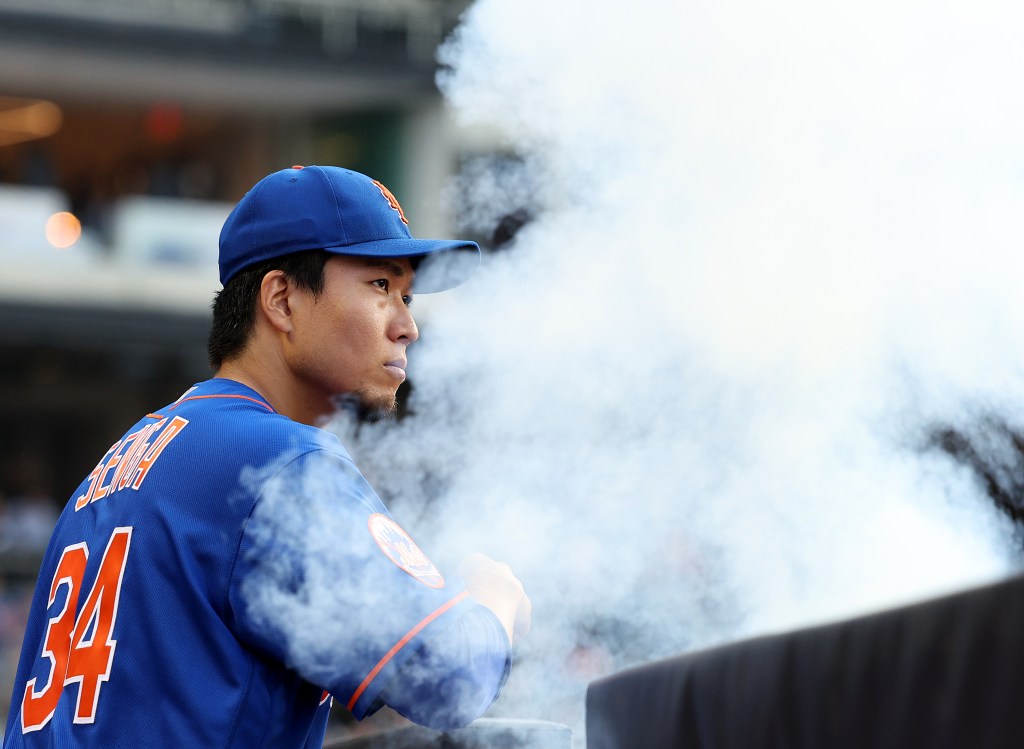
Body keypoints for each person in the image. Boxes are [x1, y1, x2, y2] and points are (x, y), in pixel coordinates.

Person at [3, 165, 531, 747]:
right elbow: (451, 679)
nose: (407, 325)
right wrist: (491, 603)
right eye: (380, 286)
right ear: (281, 299)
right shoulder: (276, 461)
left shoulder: (130, 454)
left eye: (405, 295)